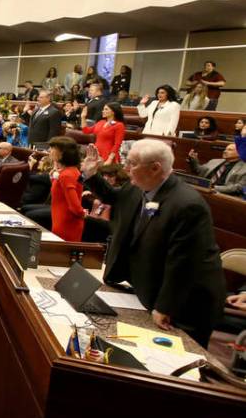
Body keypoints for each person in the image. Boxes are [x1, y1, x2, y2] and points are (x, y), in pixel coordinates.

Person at [80, 139, 225, 347]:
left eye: (132, 163)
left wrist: (166, 306)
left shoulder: (187, 204)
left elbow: (184, 262)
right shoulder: (138, 187)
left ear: (155, 168)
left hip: (186, 303)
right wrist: (92, 175)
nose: (126, 168)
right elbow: (114, 197)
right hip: (149, 288)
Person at [47, 136, 86, 242]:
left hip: (66, 224)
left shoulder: (66, 175)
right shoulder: (73, 171)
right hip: (62, 220)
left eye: (53, 148)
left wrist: (82, 213)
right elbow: (61, 192)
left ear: (62, 153)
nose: (49, 151)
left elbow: (74, 205)